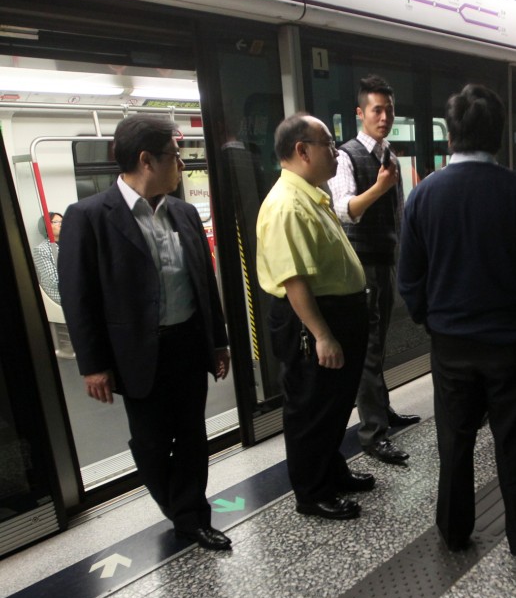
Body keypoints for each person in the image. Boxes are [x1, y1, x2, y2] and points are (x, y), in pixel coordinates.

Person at [398, 84, 516, 557]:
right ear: (499, 137)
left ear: (450, 136)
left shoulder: (424, 196)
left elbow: (409, 277)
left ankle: (453, 530)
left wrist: (431, 318)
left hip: (451, 343)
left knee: (455, 439)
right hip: (512, 341)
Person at [58, 115, 233, 551]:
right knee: (152, 444)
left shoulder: (184, 213)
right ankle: (179, 507)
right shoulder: (91, 217)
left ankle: (192, 517)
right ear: (146, 160)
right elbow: (79, 297)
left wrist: (218, 341)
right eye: (176, 156)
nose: (181, 165)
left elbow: (203, 282)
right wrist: (93, 365)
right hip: (138, 352)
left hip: (188, 344)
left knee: (193, 436)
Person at [256, 113, 376, 521]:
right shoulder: (287, 204)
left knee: (333, 403)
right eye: (328, 143)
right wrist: (322, 335)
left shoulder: (311, 193)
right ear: (301, 150)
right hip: (313, 320)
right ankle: (311, 492)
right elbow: (294, 282)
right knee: (311, 409)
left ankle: (331, 470)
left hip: (336, 314)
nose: (336, 152)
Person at [328, 75, 418, 465]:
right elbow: (345, 209)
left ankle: (382, 410)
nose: (384, 116)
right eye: (377, 110)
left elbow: (396, 210)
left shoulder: (389, 154)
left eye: (389, 109)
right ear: (360, 113)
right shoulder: (346, 155)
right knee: (367, 349)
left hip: (386, 259)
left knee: (380, 341)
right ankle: (372, 432)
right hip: (362, 263)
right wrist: (380, 187)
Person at [33, 211, 62, 303]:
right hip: (61, 296)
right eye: (56, 222)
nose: (61, 224)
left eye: (63, 221)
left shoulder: (71, 244)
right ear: (46, 227)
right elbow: (52, 281)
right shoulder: (41, 250)